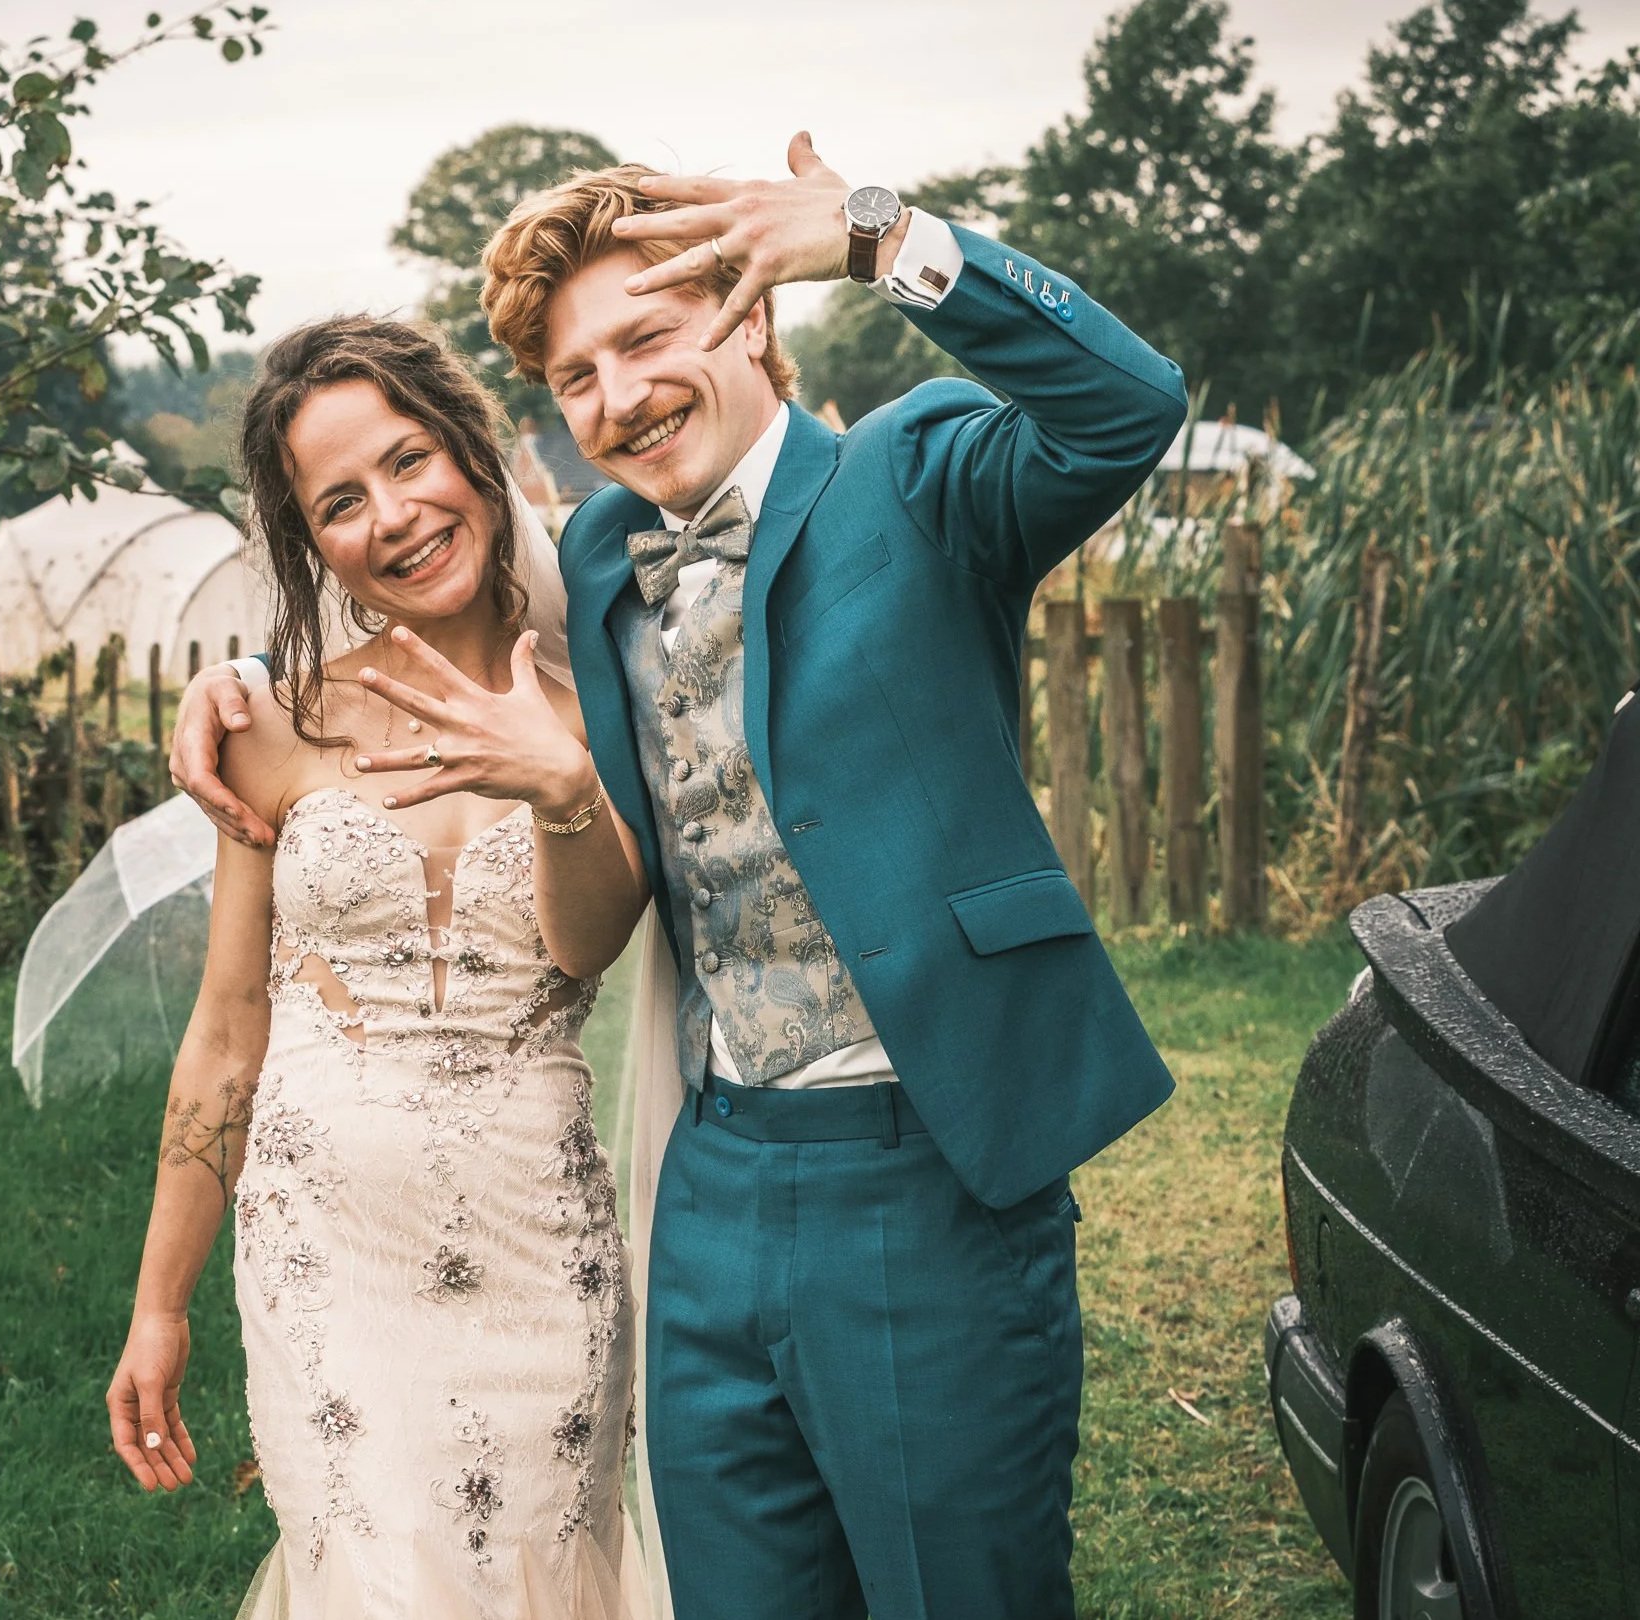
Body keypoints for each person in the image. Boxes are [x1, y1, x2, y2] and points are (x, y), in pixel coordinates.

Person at [171, 132, 1189, 1619]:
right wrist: (245, 675)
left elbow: (1126, 408)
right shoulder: (592, 552)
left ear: (754, 317)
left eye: (649, 338)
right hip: (702, 1188)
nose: (619, 398)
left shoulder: (916, 476)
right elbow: (427, 580)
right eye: (575, 379)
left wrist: (877, 233)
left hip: (925, 1156)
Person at [106, 316, 654, 1618]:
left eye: (410, 462)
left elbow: (591, 942)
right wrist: (158, 1308)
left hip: (542, 1244)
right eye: (340, 501)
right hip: (322, 1259)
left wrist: (564, 787)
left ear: (472, 453)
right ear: (307, 543)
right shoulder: (272, 726)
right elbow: (228, 1032)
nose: (394, 516)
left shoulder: (608, 713)